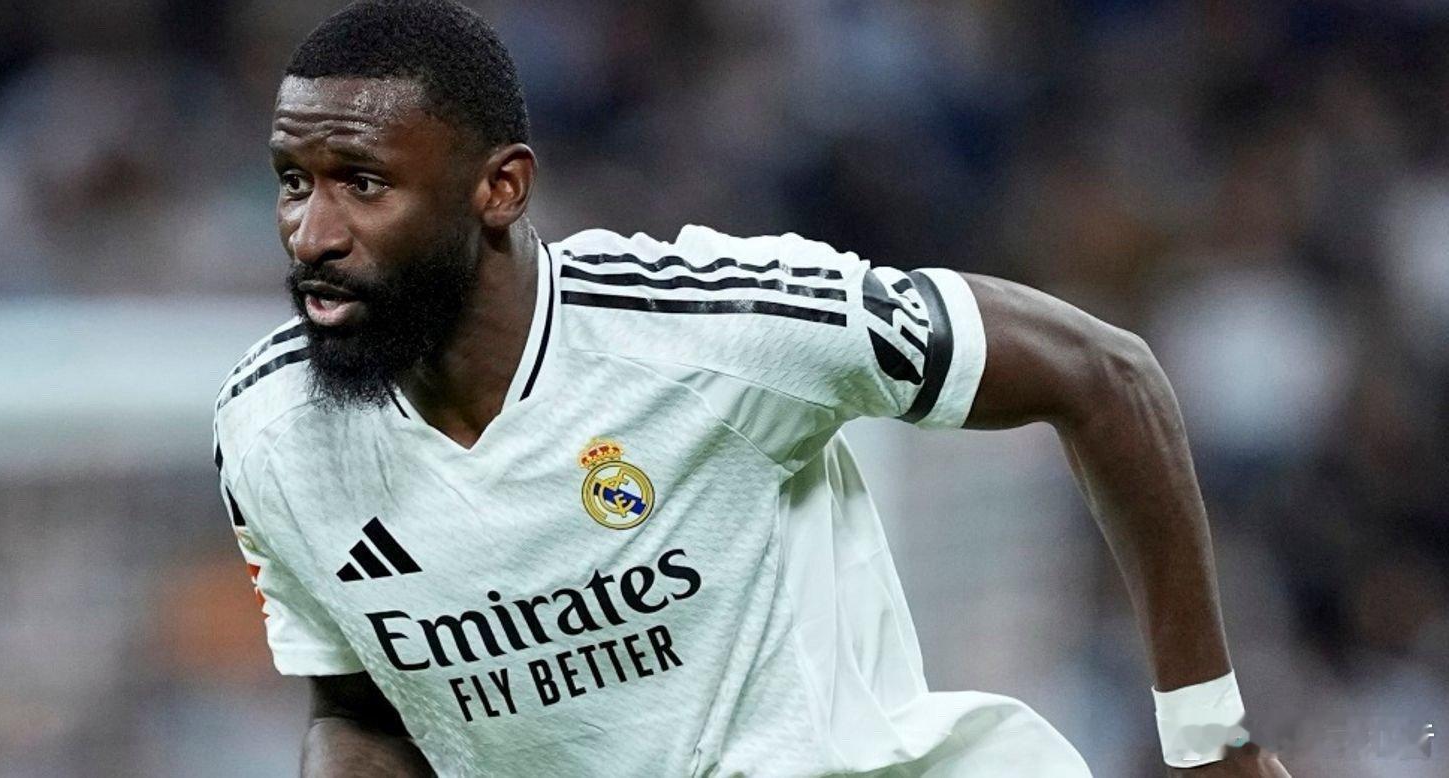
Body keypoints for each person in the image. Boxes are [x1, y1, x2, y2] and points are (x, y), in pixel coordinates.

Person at [212, 1, 1291, 775]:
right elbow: (361, 712)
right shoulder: (268, 435)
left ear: (500, 188)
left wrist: (1210, 742)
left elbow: (1104, 373)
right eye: (293, 182)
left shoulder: (715, 327)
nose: (312, 232)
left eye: (363, 184)